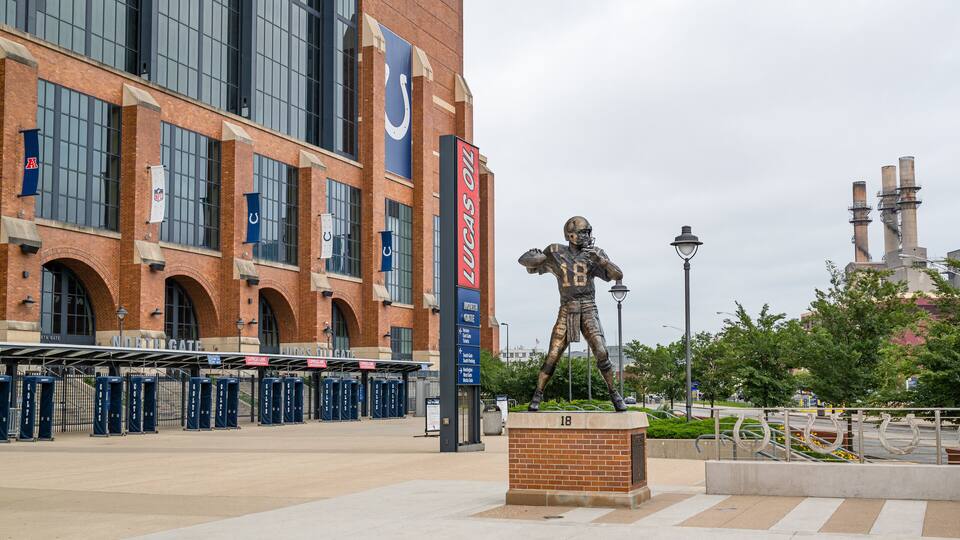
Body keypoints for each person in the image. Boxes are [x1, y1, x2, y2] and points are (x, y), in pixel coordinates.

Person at [518, 216, 627, 412]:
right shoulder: (555, 251)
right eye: (583, 232)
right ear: (570, 235)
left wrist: (600, 261)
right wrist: (534, 255)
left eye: (588, 232)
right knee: (553, 354)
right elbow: (528, 265)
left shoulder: (595, 253)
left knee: (601, 351)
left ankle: (614, 393)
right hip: (567, 307)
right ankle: (537, 394)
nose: (587, 236)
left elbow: (617, 275)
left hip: (588, 306)